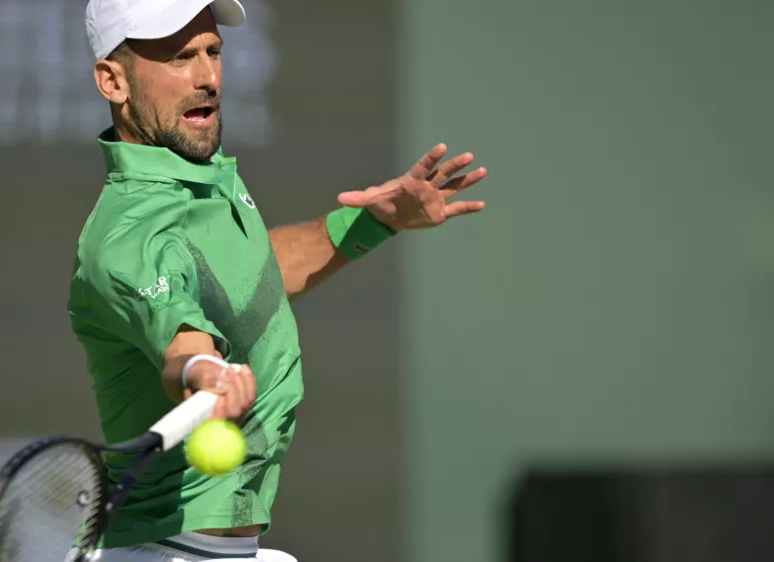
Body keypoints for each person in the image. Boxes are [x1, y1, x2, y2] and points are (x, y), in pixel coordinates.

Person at [68, 0, 488, 559]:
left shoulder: (193, 180)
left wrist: (375, 220)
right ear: (112, 80)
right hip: (161, 551)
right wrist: (203, 369)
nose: (207, 77)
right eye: (177, 57)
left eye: (213, 51)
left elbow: (245, 280)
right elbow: (180, 342)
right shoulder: (126, 238)